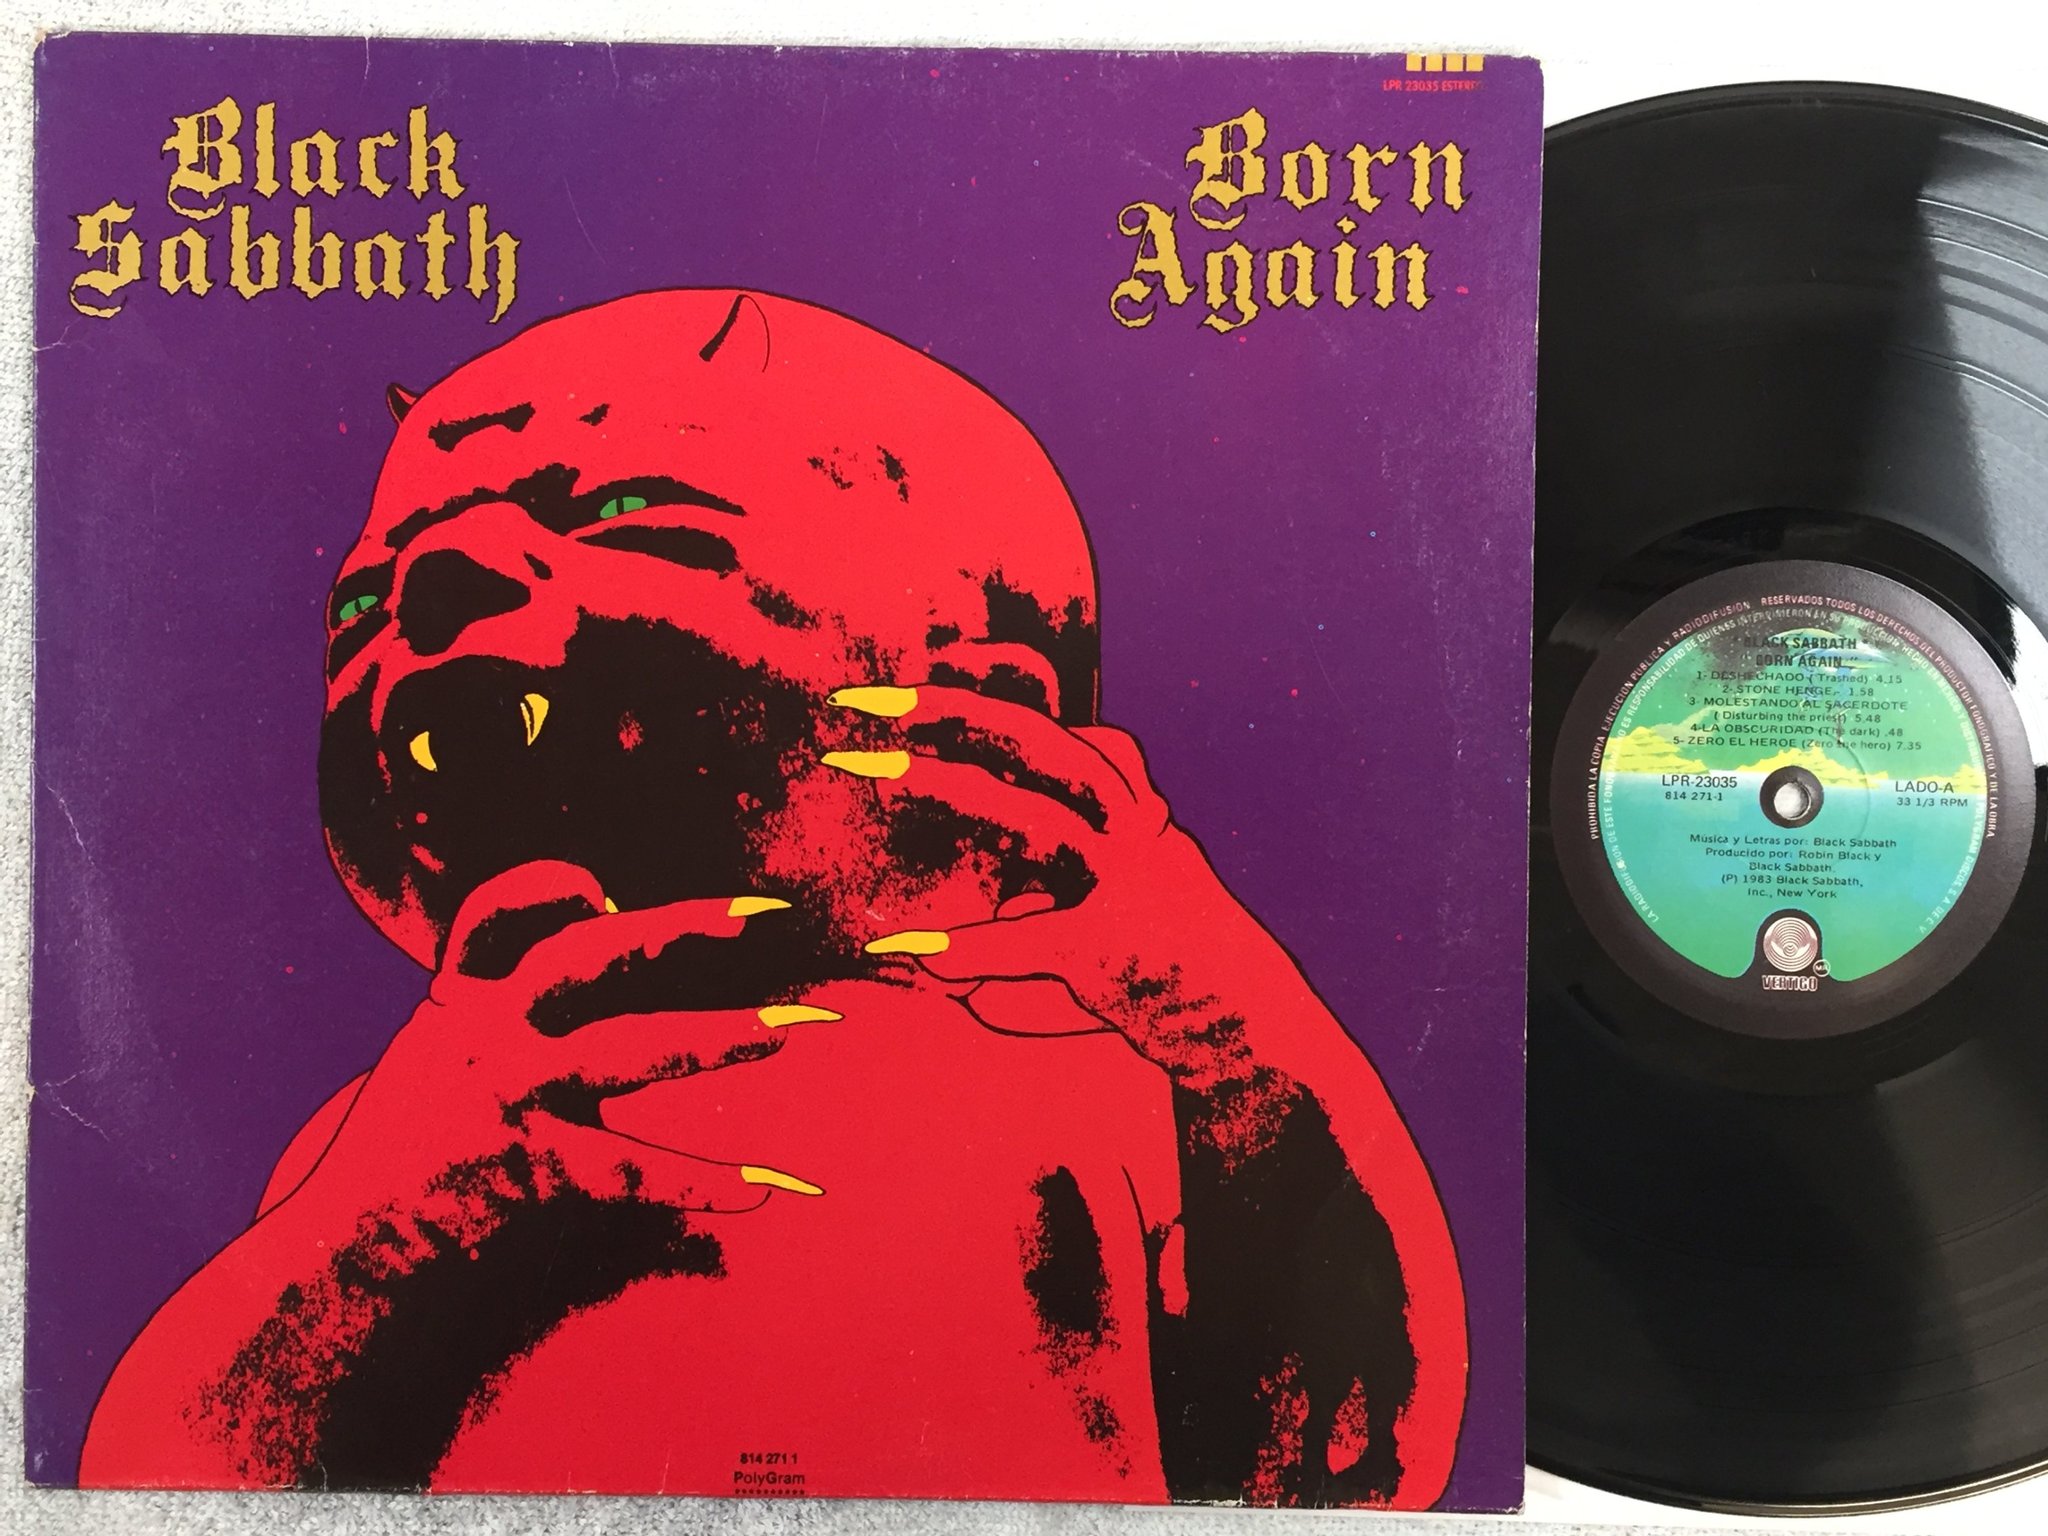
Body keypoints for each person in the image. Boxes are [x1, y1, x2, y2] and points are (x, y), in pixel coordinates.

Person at [80, 289, 1465, 1505]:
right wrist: (392, 1222)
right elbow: (179, 1475)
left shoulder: (1102, 1083)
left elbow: (1351, 1464)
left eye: (630, 521)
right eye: (361, 606)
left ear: (995, 717)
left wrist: (1227, 1023)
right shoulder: (417, 1129)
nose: (435, 592)